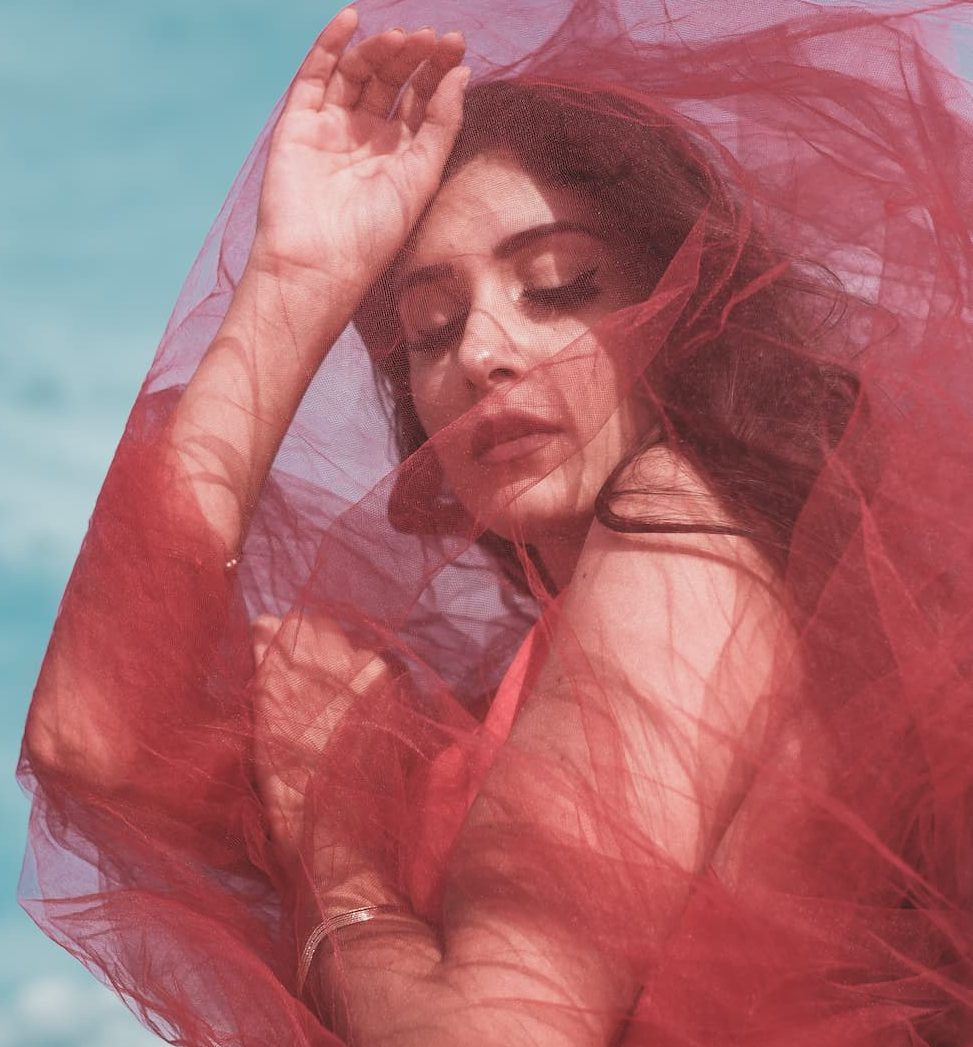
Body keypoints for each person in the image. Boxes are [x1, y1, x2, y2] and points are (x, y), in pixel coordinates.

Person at [18, 2, 973, 1045]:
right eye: (431, 329)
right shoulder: (496, 695)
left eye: (558, 288)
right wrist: (297, 279)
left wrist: (336, 844)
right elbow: (90, 747)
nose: (482, 354)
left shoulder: (687, 529)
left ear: (683, 314)